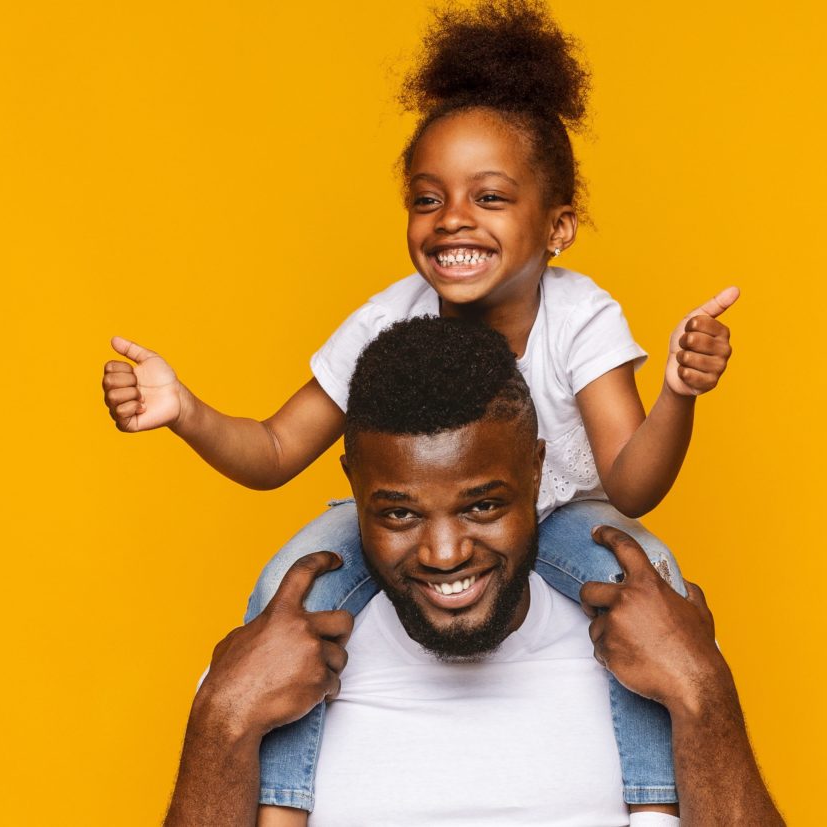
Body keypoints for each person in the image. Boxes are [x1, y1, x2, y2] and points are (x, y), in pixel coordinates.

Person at [103, 0, 737, 813]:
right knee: (288, 587)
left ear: (560, 226)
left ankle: (656, 801)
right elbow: (271, 450)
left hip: (564, 513)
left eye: (491, 197)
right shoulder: (385, 319)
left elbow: (634, 483)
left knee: (653, 580)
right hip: (423, 513)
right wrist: (185, 409)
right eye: (427, 199)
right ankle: (281, 801)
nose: (454, 221)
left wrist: (680, 393)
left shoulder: (581, 316)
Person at [163, 317, 784, 826]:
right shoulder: (267, 668)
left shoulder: (656, 645)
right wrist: (224, 716)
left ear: (537, 474)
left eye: (483, 506)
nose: (444, 554)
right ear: (352, 485)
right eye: (400, 513)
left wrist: (704, 692)